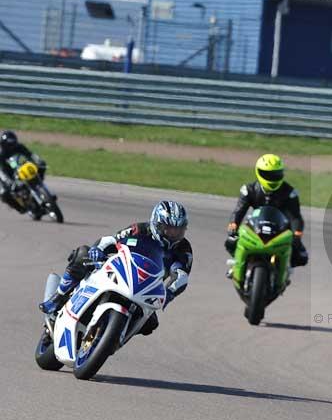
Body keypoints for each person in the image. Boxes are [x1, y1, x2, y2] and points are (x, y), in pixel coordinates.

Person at [39, 201, 192, 337]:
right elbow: (111, 240)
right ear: (157, 224)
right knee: (82, 254)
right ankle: (58, 297)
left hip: (147, 288)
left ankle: (116, 334)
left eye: (179, 230)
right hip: (122, 270)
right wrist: (97, 250)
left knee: (150, 324)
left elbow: (181, 276)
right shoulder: (139, 229)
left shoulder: (184, 249)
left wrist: (169, 293)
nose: (174, 234)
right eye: (169, 229)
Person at [226, 154, 308, 267]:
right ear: (258, 172)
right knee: (231, 241)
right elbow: (239, 210)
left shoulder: (290, 193)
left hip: (280, 230)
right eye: (267, 174)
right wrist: (233, 224)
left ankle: (285, 269)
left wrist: (297, 233)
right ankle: (239, 264)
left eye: (276, 174)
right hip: (255, 227)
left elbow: (295, 216)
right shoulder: (249, 190)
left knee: (302, 256)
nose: (272, 178)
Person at [0, 130, 47, 213]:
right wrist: (8, 181)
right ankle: (20, 208)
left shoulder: (19, 146)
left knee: (41, 166)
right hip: (6, 173)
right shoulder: (1, 154)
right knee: (4, 193)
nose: (11, 146)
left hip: (19, 167)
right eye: (9, 145)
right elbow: (1, 171)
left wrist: (38, 161)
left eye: (13, 144)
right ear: (3, 144)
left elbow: (30, 154)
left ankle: (39, 184)